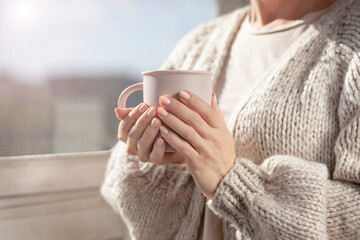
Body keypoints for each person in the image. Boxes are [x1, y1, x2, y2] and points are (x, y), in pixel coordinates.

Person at [101, 0, 360, 239]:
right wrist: (159, 160)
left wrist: (233, 182)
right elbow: (132, 200)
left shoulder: (353, 40)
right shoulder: (200, 42)